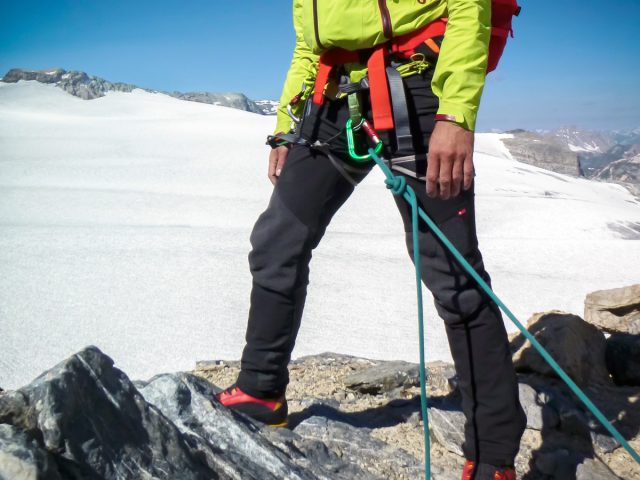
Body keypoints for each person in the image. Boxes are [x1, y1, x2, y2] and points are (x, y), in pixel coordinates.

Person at [216, 1, 526, 478]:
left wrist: (456, 115)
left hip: (417, 91)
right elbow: (308, 43)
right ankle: (260, 390)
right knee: (278, 241)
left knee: (454, 277)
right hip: (332, 98)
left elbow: (469, 5)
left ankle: (492, 456)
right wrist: (284, 127)